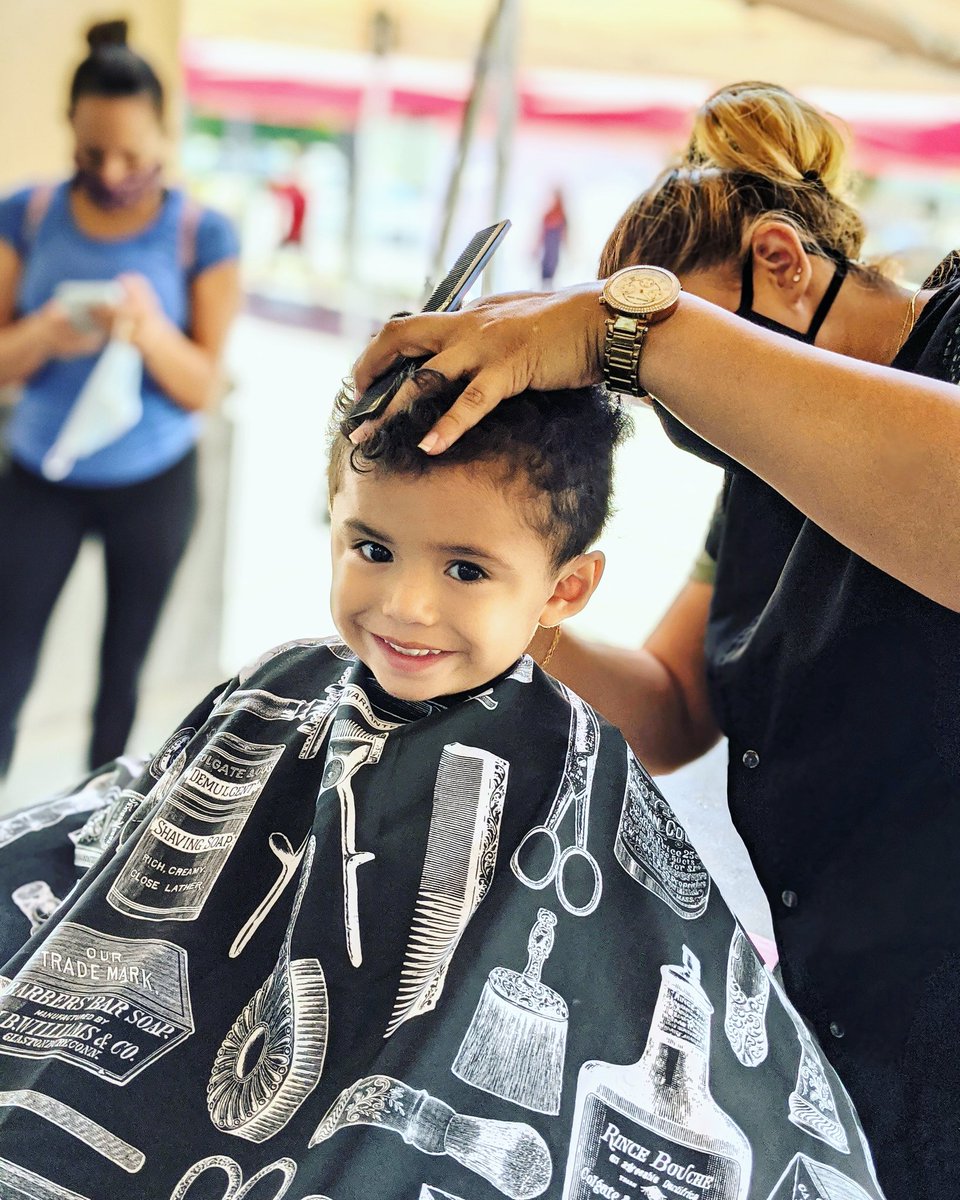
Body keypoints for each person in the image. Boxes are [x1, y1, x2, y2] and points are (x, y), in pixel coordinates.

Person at [0, 376, 883, 1198]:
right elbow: (123, 831)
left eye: (466, 569)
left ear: (564, 589)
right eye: (373, 548)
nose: (406, 606)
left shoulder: (569, 766)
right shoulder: (280, 686)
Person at [350, 81, 960, 1194]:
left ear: (781, 259)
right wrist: (491, 597)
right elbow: (674, 711)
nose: (680, 414)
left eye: (674, 361)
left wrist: (619, 328)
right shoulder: (773, 466)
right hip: (837, 1008)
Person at [0, 19, 240, 778]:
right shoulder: (26, 215)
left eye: (131, 153)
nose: (110, 170)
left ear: (165, 134)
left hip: (154, 483)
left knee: (120, 681)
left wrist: (146, 333)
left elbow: (202, 385)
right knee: (6, 667)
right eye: (91, 151)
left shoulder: (203, 232)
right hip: (42, 476)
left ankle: (91, 843)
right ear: (69, 130)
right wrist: (41, 334)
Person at [538, 188, 568, 288]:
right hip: (548, 248)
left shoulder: (562, 215)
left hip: (555, 248)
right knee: (546, 265)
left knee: (552, 264)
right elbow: (542, 233)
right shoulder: (548, 215)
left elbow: (565, 233)